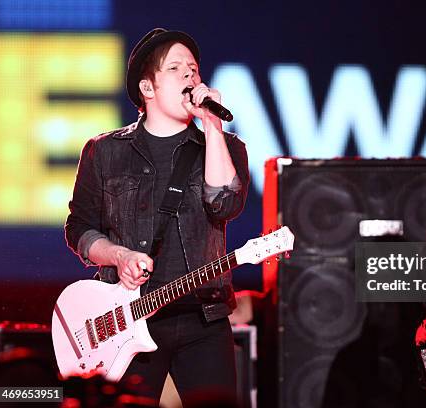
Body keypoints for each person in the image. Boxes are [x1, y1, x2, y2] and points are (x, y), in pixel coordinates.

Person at [64, 28, 249, 405]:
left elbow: (225, 204)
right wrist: (120, 256)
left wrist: (212, 126)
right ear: (147, 89)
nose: (190, 76)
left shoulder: (225, 147)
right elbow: (79, 228)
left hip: (204, 318)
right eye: (176, 67)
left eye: (194, 69)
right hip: (126, 320)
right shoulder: (105, 152)